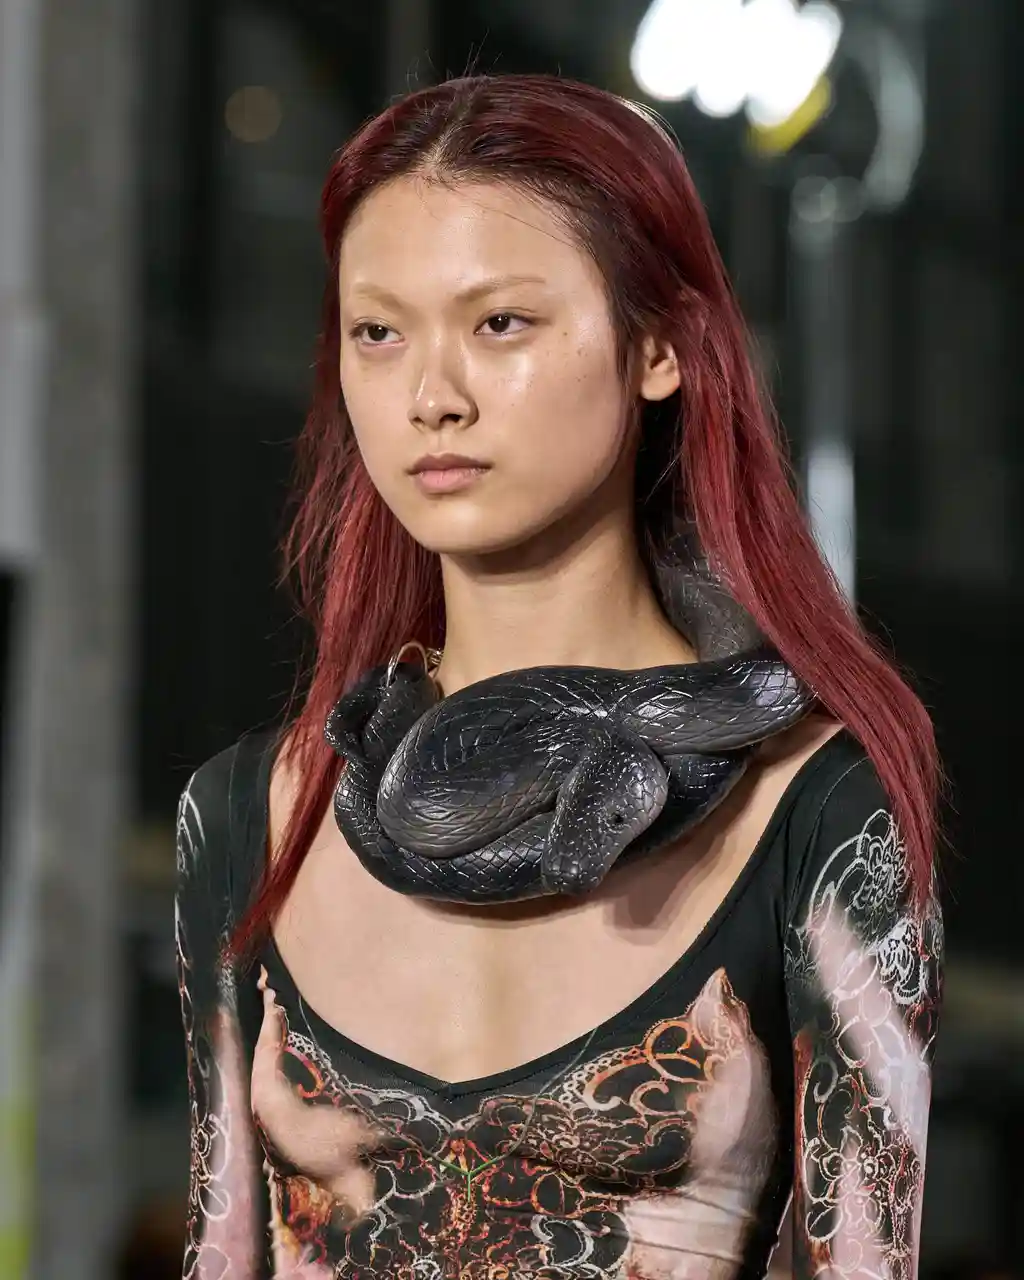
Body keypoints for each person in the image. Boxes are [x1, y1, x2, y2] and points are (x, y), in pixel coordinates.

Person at [175, 74, 943, 1280]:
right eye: (378, 332)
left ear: (659, 347)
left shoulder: (815, 809)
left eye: (500, 323)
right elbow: (218, 1251)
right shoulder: (248, 814)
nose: (431, 397)